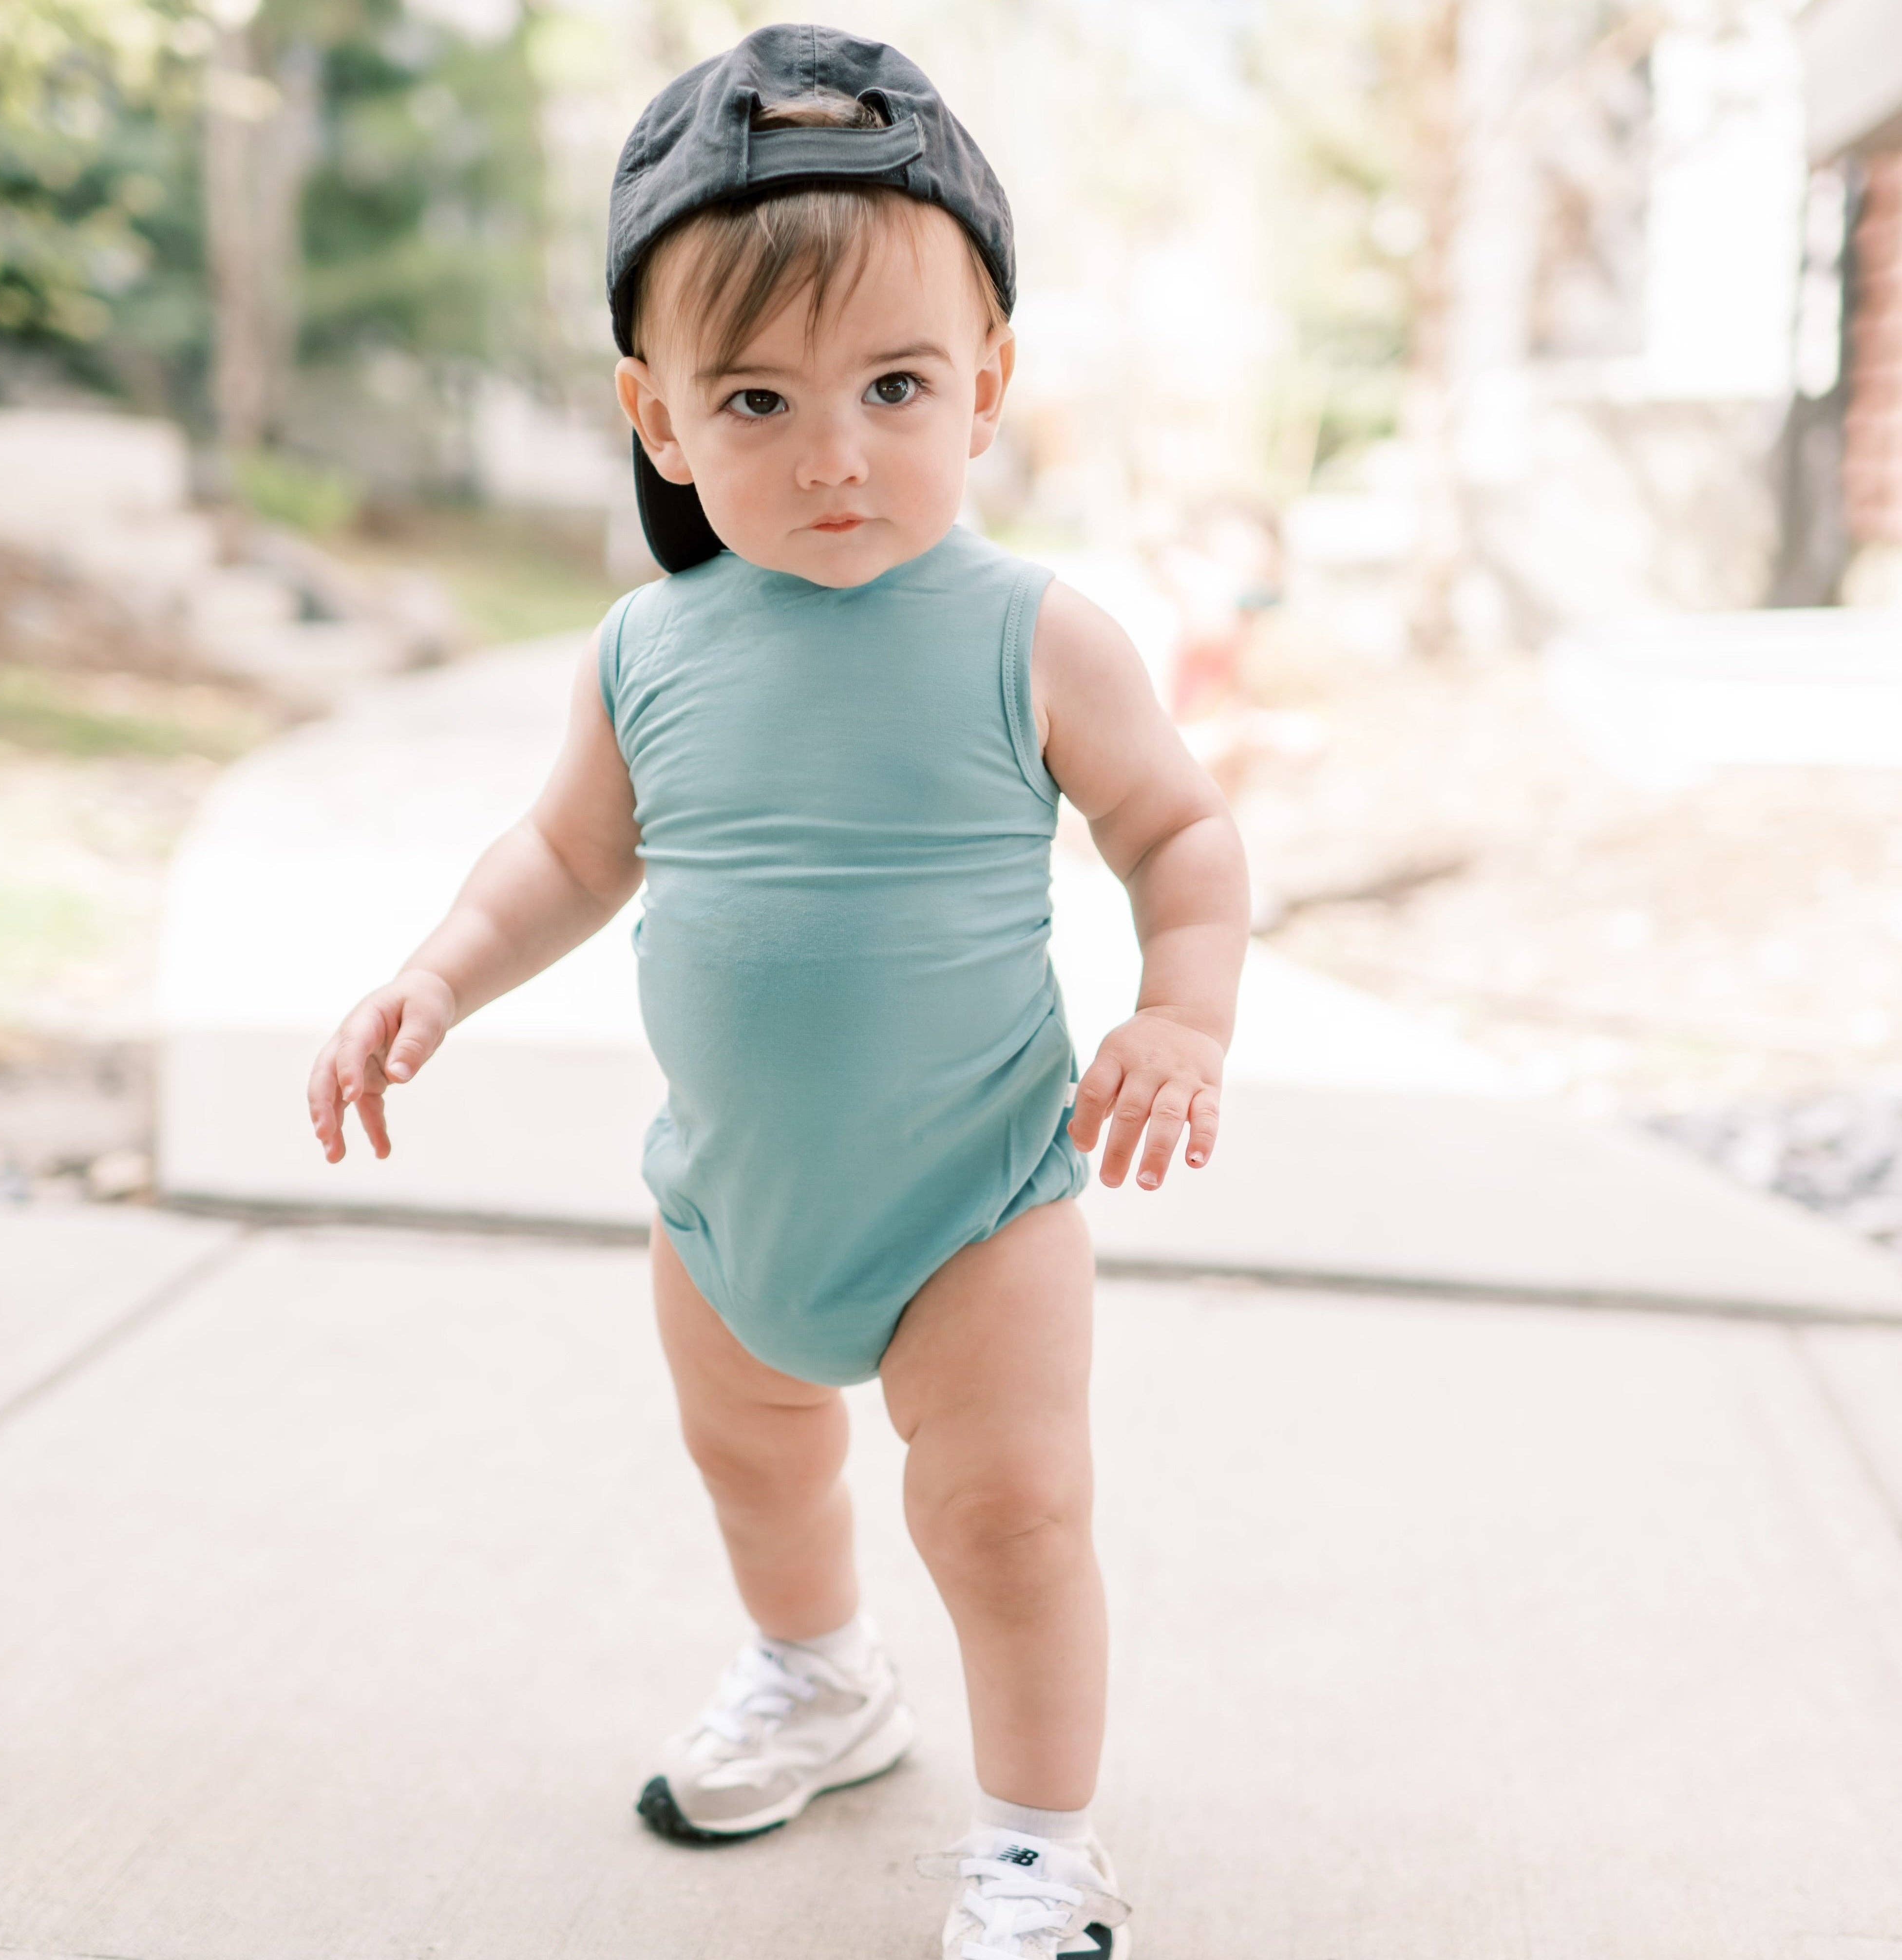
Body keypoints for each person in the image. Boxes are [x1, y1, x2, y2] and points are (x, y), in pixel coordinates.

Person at [306, 26, 1249, 1958]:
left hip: (976, 1202)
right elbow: (568, 856)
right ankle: (820, 1678)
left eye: (895, 386)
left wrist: (1182, 1012)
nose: (834, 454)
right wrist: (435, 976)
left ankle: (1036, 1846)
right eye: (758, 398)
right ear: (658, 420)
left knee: (1006, 1516)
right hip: (730, 1205)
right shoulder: (648, 649)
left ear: (986, 385)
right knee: (757, 1468)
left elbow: (1178, 832)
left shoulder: (1033, 636)